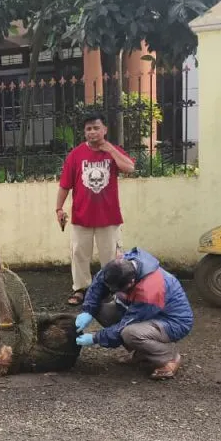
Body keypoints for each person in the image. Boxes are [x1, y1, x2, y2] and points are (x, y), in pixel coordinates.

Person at [75, 248, 193, 380]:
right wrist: (88, 310)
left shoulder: (149, 291)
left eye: (120, 288)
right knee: (100, 309)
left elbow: (124, 325)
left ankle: (169, 357)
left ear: (131, 282)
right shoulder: (119, 266)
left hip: (173, 322)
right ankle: (143, 353)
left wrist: (96, 338)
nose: (113, 291)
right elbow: (99, 283)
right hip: (144, 313)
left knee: (129, 333)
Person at [56, 112, 135, 306]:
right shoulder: (75, 154)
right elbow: (65, 185)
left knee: (111, 257)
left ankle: (109, 290)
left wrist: (110, 150)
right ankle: (80, 289)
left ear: (105, 130)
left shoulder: (113, 151)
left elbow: (129, 168)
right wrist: (58, 208)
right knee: (79, 255)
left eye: (96, 128)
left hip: (109, 216)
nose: (92, 132)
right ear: (84, 132)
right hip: (81, 216)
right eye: (88, 129)